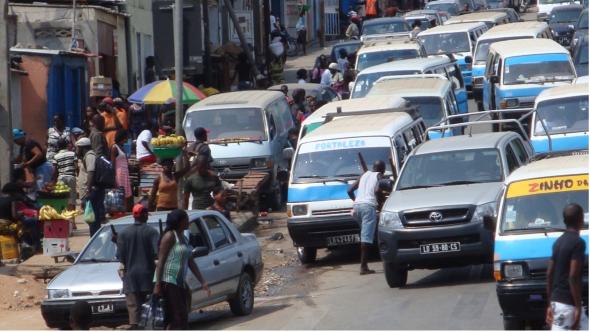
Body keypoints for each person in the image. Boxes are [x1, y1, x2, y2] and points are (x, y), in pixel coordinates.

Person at [154, 209, 210, 330]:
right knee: (178, 314)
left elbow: (190, 261)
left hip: (179, 282)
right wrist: (158, 284)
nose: (188, 222)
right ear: (180, 222)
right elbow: (161, 262)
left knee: (182, 314)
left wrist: (202, 281)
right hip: (168, 280)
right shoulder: (169, 236)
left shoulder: (183, 238)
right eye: (186, 219)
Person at [546, 203, 589, 331]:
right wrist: (578, 308)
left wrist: (549, 305)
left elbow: (549, 274)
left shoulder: (558, 242)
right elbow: (573, 277)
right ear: (581, 219)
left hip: (556, 301)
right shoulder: (578, 243)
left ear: (564, 221)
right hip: (567, 306)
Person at [117, 204, 159, 330]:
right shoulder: (152, 232)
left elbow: (120, 256)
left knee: (134, 314)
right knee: (150, 312)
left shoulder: (123, 233)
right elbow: (157, 253)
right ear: (145, 215)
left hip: (130, 278)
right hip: (148, 277)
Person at [347, 160, 386, 275]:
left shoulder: (364, 175)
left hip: (357, 207)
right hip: (368, 207)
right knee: (366, 238)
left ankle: (371, 261)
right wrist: (381, 203)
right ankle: (363, 267)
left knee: (366, 235)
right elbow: (378, 190)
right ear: (382, 170)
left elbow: (349, 190)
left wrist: (357, 201)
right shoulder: (379, 176)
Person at [76, 137, 104, 237]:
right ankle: (95, 238)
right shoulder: (87, 156)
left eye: (78, 148)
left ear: (83, 148)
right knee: (91, 218)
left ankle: (96, 239)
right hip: (88, 192)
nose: (77, 150)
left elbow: (91, 172)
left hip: (91, 192)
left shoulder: (90, 156)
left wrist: (88, 190)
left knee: (92, 218)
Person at [52, 139, 78, 219]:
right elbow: (76, 166)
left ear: (58, 147)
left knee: (62, 199)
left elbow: (55, 171)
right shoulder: (72, 154)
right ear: (66, 145)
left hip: (61, 178)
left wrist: (54, 181)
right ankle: (72, 222)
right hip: (71, 177)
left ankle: (64, 218)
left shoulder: (55, 156)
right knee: (72, 199)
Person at [111, 130, 132, 210]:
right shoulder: (114, 148)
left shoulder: (122, 147)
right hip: (119, 175)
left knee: (125, 195)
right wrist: (113, 179)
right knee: (120, 194)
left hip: (124, 174)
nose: (127, 139)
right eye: (126, 137)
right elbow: (112, 165)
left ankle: (124, 212)